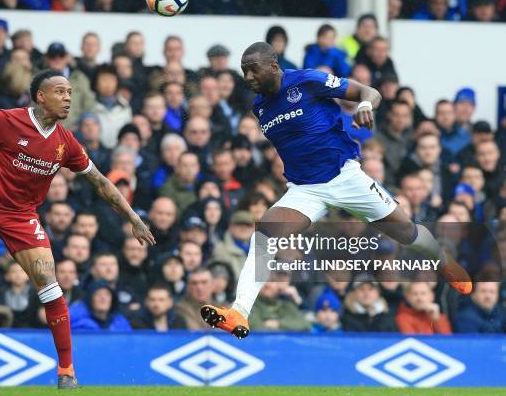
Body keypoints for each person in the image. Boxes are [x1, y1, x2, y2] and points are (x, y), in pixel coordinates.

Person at [0, 70, 155, 389]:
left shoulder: (65, 142)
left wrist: (133, 217)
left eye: (70, 92)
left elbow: (100, 181)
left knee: (51, 286)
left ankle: (66, 371)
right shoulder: (6, 120)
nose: (68, 98)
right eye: (60, 91)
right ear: (40, 96)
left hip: (21, 217)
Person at [200, 42, 472, 340]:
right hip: (305, 189)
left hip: (345, 177)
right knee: (264, 233)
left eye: (253, 69)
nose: (248, 76)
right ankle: (239, 311)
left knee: (407, 233)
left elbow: (370, 92)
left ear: (274, 66)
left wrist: (365, 106)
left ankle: (444, 261)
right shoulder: (259, 106)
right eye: (244, 71)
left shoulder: (307, 81)